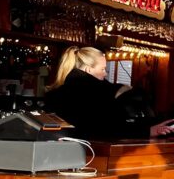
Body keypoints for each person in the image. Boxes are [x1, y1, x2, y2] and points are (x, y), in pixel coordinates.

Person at [43, 46, 174, 140]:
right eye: (103, 69)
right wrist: (148, 130)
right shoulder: (100, 92)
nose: (106, 73)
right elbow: (112, 128)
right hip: (96, 158)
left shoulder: (55, 94)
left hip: (59, 157)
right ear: (88, 69)